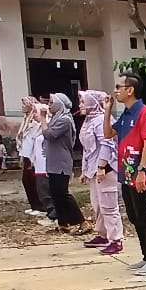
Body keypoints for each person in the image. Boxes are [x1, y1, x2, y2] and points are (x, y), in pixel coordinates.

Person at [105, 73, 146, 276]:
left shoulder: (143, 112)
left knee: (144, 215)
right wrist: (107, 109)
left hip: (138, 174)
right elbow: (108, 134)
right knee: (134, 216)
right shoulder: (126, 114)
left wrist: (142, 171)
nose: (116, 90)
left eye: (119, 87)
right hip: (126, 174)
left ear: (130, 90)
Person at [78, 89, 124, 254]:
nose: (80, 105)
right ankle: (103, 234)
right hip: (94, 170)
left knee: (109, 205)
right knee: (97, 204)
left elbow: (108, 144)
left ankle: (116, 239)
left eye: (83, 102)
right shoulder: (89, 121)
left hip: (106, 169)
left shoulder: (102, 121)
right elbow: (87, 149)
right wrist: (85, 170)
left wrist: (102, 166)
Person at [41, 92, 87, 234]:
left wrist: (43, 119)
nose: (49, 105)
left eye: (51, 103)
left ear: (59, 104)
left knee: (63, 193)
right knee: (55, 193)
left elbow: (49, 134)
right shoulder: (56, 118)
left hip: (61, 161)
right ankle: (63, 223)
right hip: (53, 161)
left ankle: (82, 221)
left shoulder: (65, 120)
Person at [17, 96, 51, 217]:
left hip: (35, 157)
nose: (22, 107)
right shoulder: (27, 120)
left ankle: (40, 206)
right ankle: (34, 204)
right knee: (27, 180)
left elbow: (35, 141)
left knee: (34, 180)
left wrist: (32, 158)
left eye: (24, 104)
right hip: (27, 155)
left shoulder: (42, 124)